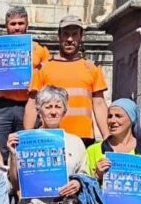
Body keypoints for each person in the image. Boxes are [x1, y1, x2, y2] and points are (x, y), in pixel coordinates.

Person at [7, 86, 88, 204]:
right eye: (48, 106)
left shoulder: (75, 142)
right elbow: (14, 181)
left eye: (58, 107)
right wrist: (14, 155)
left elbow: (84, 174)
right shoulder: (24, 140)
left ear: (64, 111)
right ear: (39, 110)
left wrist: (77, 183)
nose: (53, 111)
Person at [24, 15, 107, 144]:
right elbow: (32, 104)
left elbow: (99, 104)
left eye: (74, 34)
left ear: (81, 36)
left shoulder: (92, 68)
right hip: (51, 137)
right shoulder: (43, 69)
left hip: (83, 138)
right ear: (59, 36)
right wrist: (27, 138)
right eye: (66, 34)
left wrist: (108, 138)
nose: (69, 39)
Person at [0, 6, 52, 153]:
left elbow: (48, 81)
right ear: (6, 26)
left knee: (26, 150)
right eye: (13, 24)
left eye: (21, 23)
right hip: (1, 106)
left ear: (27, 25)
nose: (17, 27)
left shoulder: (40, 50)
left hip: (29, 105)